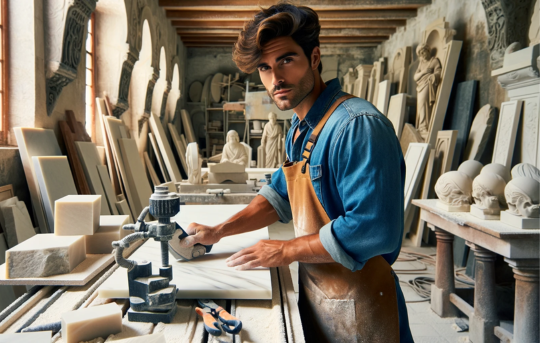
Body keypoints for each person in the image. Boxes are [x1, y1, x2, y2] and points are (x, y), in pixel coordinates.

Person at [181, 3, 413, 342]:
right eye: (264, 67)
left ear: (314, 58)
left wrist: (285, 250)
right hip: (319, 295)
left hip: (363, 305)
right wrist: (219, 231)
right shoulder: (300, 128)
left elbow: (374, 229)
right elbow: (278, 196)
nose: (275, 78)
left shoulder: (357, 126)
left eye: (286, 60)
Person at [414, 43, 442, 140]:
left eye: (423, 52)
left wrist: (433, 76)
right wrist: (424, 72)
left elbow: (438, 72)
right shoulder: (421, 63)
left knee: (425, 105)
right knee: (420, 107)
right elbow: (415, 77)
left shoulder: (434, 61)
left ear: (428, 50)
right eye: (420, 53)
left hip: (428, 85)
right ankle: (421, 127)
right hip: (420, 86)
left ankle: (424, 127)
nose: (422, 55)